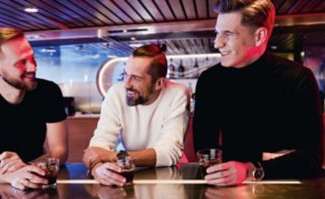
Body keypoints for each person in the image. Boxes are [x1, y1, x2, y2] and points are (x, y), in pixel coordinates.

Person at [193, 0, 324, 186]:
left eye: (228, 34)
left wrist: (251, 168)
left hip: (290, 190)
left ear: (259, 36)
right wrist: (270, 156)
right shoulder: (210, 81)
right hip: (232, 188)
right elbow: (206, 153)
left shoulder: (298, 77)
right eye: (217, 33)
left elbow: (311, 159)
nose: (217, 43)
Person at [0, 27, 68, 190]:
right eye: (22, 62)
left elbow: (60, 150)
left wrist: (28, 168)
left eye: (32, 58)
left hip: (36, 177)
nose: (33, 67)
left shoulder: (48, 91)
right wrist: (12, 176)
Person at [83, 44, 190, 186]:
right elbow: (96, 149)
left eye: (136, 78)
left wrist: (112, 156)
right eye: (126, 74)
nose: (126, 84)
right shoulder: (115, 94)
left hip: (171, 176)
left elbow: (168, 152)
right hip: (131, 172)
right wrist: (97, 169)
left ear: (159, 83)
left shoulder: (177, 93)